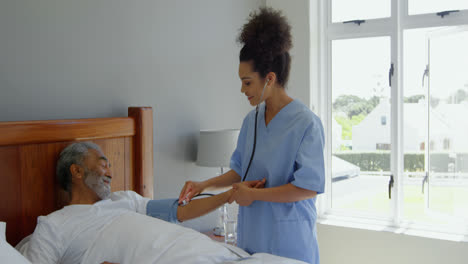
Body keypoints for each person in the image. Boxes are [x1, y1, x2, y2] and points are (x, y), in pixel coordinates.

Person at [178, 7, 325, 264]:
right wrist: (204, 185)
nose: (242, 89)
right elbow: (240, 171)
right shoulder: (251, 121)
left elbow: (308, 187)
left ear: (269, 78)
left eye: (247, 82)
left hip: (290, 242)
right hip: (251, 240)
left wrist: (254, 195)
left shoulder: (306, 123)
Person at [24, 142, 264, 264]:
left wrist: (230, 194)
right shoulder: (54, 225)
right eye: (103, 163)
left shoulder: (125, 200)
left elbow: (182, 211)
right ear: (76, 171)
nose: (110, 172)